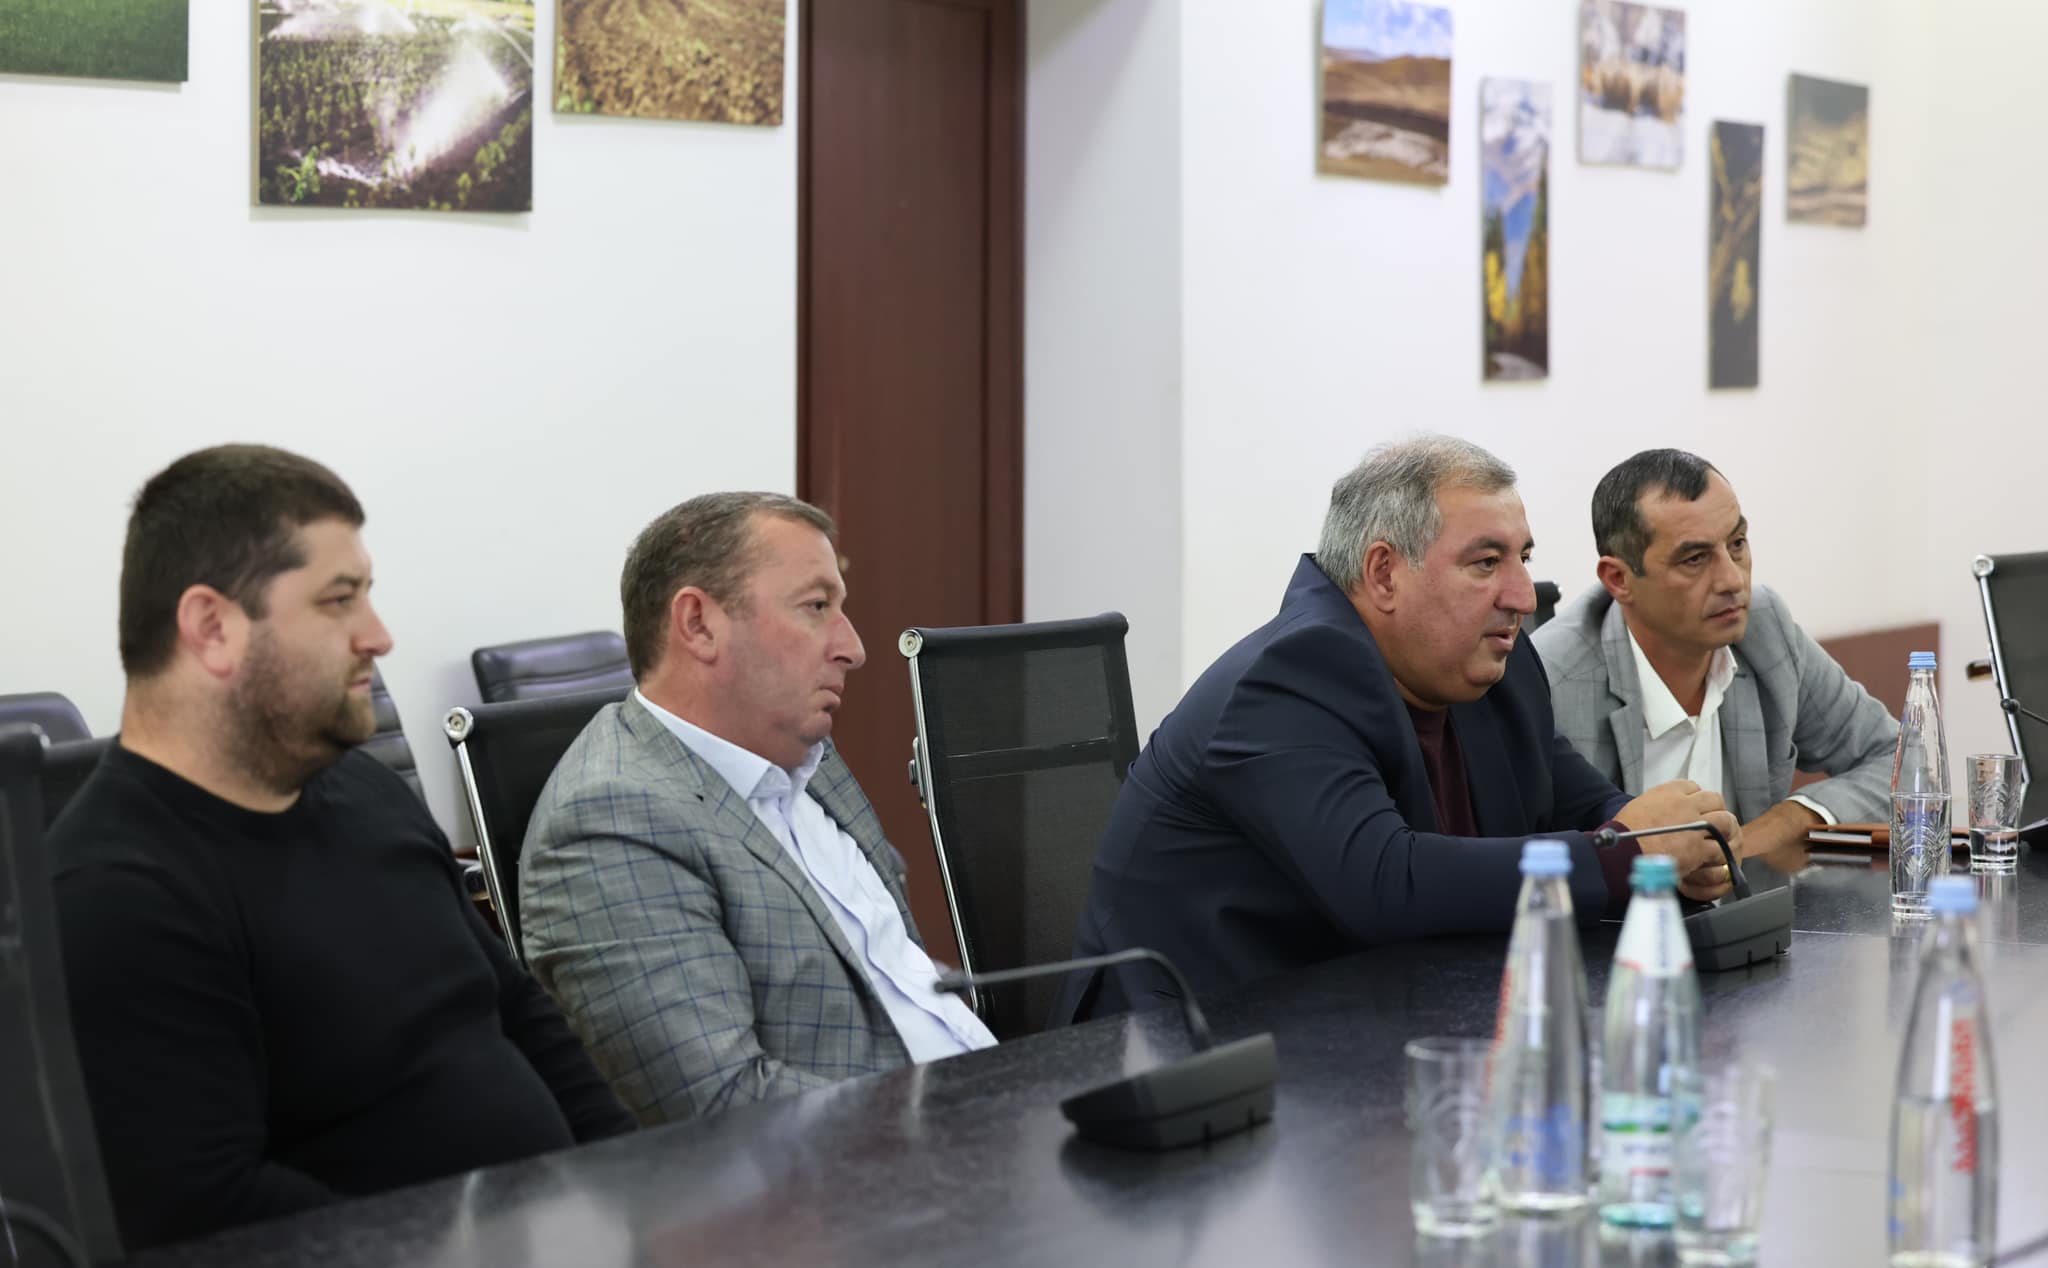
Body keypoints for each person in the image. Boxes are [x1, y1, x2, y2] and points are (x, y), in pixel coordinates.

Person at [49, 445, 634, 1253]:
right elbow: (210, 1210)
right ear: (212, 629)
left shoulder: (364, 790)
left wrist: (633, 1186)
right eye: (339, 600)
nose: (379, 635)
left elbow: (516, 1011)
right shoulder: (118, 891)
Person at [1054, 436, 1741, 1024]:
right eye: (1486, 563)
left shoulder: (1485, 665)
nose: (1521, 595)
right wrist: (1624, 854)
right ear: (1384, 574)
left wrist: (1674, 840)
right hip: (1188, 1048)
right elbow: (1385, 882)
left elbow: (1576, 801)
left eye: (1522, 558)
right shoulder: (1290, 679)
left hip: (1373, 1022)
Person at [519, 492, 995, 1125]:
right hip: (876, 1160)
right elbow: (720, 1105)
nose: (853, 647)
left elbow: (894, 969)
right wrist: (969, 1110)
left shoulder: (805, 755)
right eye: (816, 606)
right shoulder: (611, 822)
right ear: (699, 625)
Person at [1531, 449, 1897, 863]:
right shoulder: (1552, 682)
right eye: (1694, 559)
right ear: (1619, 579)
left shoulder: (1765, 629)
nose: (1732, 580)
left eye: (1737, 544)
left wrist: (1782, 824)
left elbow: (1901, 761)